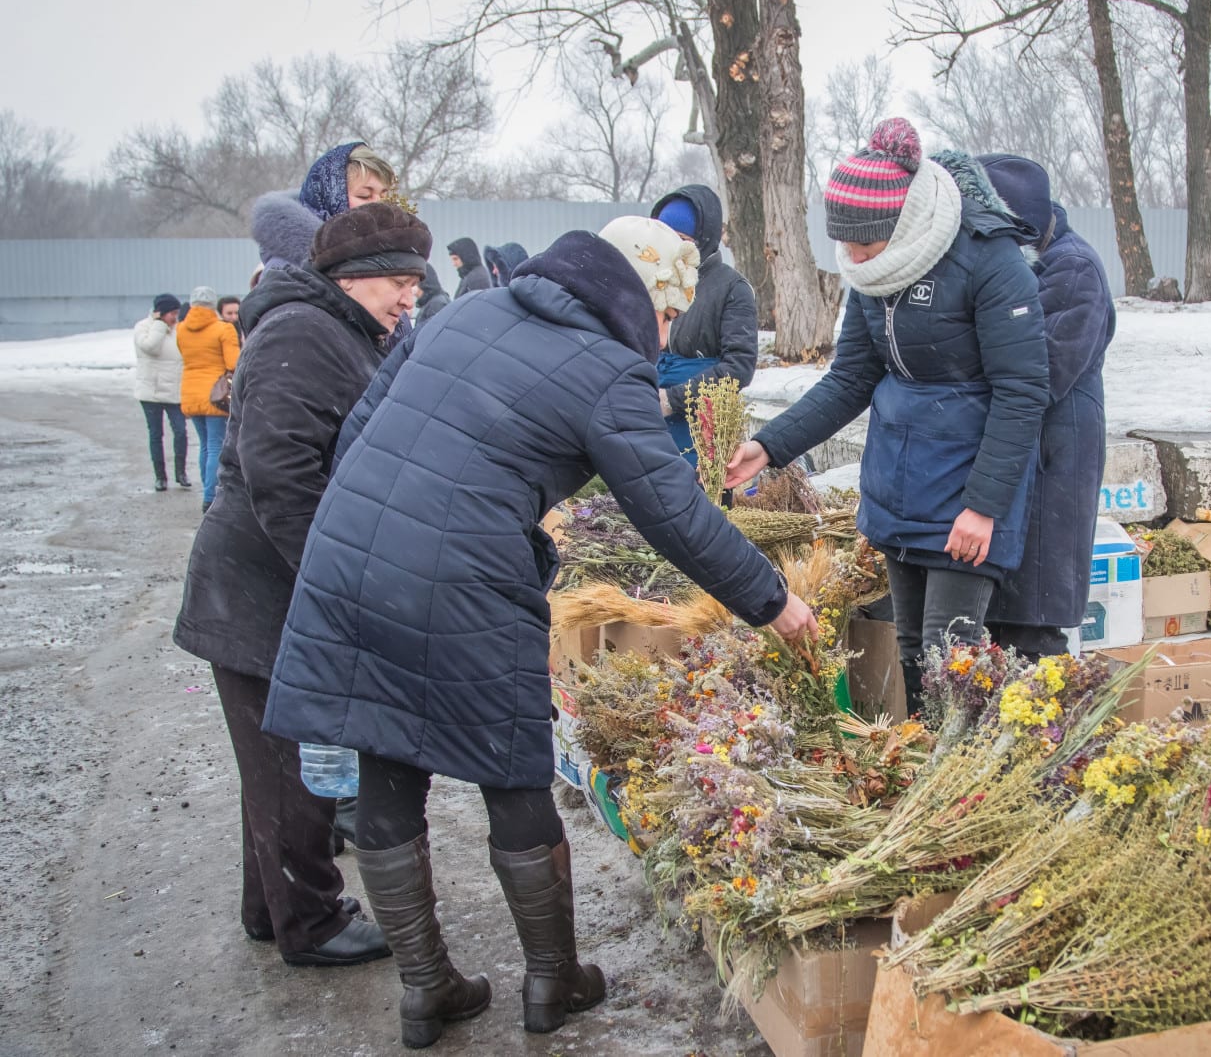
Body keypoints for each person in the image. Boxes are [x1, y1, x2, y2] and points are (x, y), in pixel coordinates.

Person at [261, 215, 817, 1048]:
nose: (666, 333)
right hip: (462, 571)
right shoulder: (607, 368)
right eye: (668, 313)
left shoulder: (470, 309)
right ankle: (553, 979)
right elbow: (674, 515)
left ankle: (425, 989)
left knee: (384, 753)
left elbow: (364, 424)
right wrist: (776, 601)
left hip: (351, 551)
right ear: (641, 294)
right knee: (511, 766)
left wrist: (391, 517)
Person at [172, 201, 431, 969]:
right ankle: (310, 922)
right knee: (291, 770)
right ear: (348, 278)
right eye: (394, 280)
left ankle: (270, 907)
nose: (408, 296)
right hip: (262, 590)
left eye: (414, 281)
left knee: (274, 767)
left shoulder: (345, 332)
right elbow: (280, 475)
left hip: (276, 588)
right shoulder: (301, 332)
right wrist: (335, 585)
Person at [724, 119, 1048, 715]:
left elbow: (1024, 391)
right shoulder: (873, 275)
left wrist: (983, 507)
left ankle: (956, 790)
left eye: (861, 247)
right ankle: (921, 777)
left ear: (899, 228)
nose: (851, 259)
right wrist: (769, 447)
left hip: (967, 490)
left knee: (949, 656)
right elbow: (850, 378)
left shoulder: (989, 260)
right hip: (900, 485)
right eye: (844, 247)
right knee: (909, 650)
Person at [978, 156, 1116, 661]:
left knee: (1036, 602)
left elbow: (1043, 371)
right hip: (1025, 448)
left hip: (1054, 450)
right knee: (1009, 605)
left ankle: (1045, 712)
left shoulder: (1073, 267)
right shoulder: (1034, 256)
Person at [650, 184, 759, 463]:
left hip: (703, 424)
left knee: (700, 496)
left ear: (703, 239)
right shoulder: (654, 280)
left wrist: (673, 399)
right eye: (665, 237)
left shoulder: (732, 288)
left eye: (681, 238)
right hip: (650, 416)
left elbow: (738, 367)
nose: (672, 248)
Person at [251, 142, 397, 272]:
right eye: (364, 195)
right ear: (330, 198)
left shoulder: (380, 251)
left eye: (383, 196)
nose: (378, 205)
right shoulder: (286, 269)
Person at [175, 286, 240, 511]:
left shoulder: (181, 329)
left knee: (204, 445)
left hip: (190, 392)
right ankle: (211, 496)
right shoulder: (223, 329)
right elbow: (233, 363)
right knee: (215, 446)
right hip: (215, 394)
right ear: (214, 305)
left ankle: (207, 489)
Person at [133, 293, 189, 492]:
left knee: (181, 432)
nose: (175, 317)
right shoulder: (143, 328)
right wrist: (159, 325)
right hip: (151, 392)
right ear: (161, 313)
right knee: (156, 434)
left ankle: (181, 473)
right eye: (172, 313)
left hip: (175, 390)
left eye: (177, 313)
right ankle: (160, 477)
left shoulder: (179, 329)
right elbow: (150, 348)